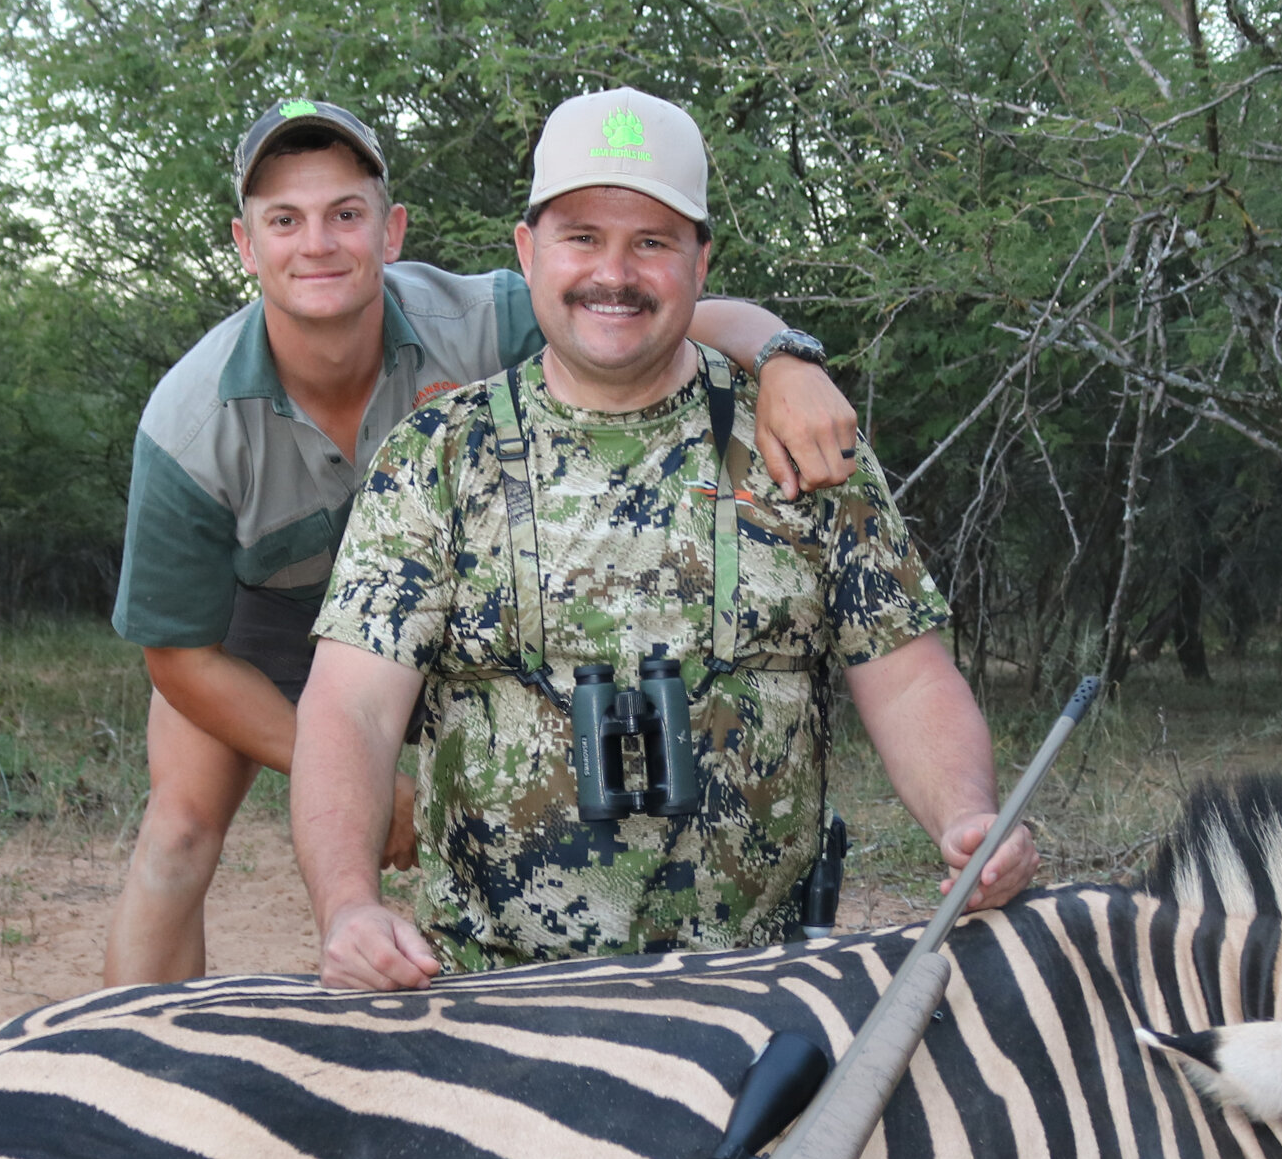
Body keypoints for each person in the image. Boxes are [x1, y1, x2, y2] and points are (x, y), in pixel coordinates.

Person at [102, 97, 867, 983]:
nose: (317, 244)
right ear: (246, 245)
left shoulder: (485, 316)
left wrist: (787, 360)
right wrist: (383, 790)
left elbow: (677, 309)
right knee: (179, 832)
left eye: (344, 215)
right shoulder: (189, 424)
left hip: (442, 601)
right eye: (285, 221)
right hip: (258, 624)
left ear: (391, 232)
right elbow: (179, 659)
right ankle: (140, 1062)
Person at [294, 87, 1038, 991]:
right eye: (582, 238)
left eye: (651, 242)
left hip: (760, 998)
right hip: (486, 1000)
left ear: (700, 260)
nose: (616, 273)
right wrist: (348, 903)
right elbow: (351, 709)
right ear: (528, 254)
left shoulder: (798, 445)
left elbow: (911, 676)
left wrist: (969, 819)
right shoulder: (438, 456)